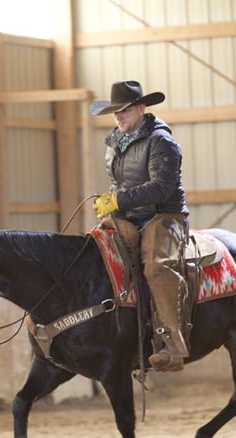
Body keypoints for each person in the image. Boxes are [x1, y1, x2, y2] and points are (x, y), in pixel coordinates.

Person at [90, 80, 190, 372]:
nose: (118, 116)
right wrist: (109, 202)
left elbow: (161, 187)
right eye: (115, 112)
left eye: (125, 111)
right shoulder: (114, 143)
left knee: (157, 266)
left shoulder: (162, 142)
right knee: (95, 250)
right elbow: (118, 182)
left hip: (164, 216)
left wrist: (118, 200)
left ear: (141, 109)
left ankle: (172, 345)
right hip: (129, 216)